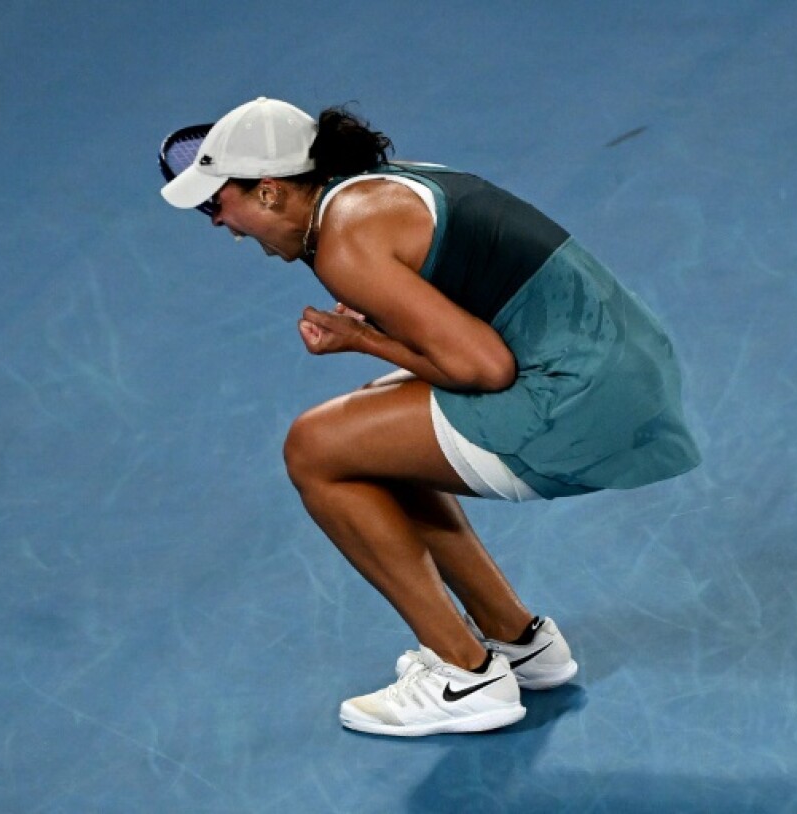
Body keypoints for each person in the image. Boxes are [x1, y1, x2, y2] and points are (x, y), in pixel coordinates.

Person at [158, 97, 701, 737]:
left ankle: (465, 678)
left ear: (272, 191)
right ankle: (518, 640)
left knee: (314, 447)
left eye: (218, 204)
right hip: (625, 373)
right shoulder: (381, 188)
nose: (219, 222)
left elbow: (483, 369)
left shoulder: (345, 239)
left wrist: (361, 339)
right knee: (368, 425)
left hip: (578, 402)